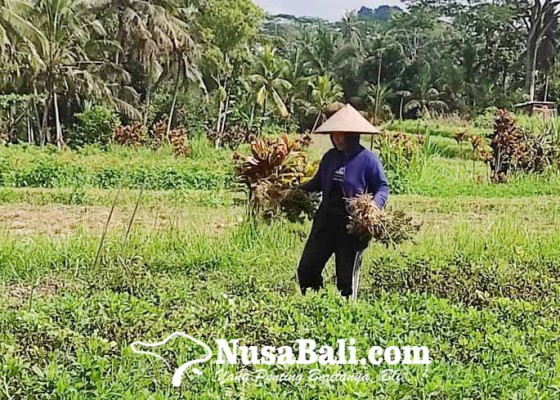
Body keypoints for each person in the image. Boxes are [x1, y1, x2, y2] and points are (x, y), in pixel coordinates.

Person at [297, 104, 389, 300]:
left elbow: (382, 187)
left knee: (345, 280)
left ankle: (346, 315)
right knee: (307, 269)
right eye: (334, 135)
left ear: (352, 134)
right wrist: (294, 190)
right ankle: (314, 305)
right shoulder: (330, 158)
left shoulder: (368, 160)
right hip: (325, 221)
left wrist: (373, 207)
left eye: (342, 135)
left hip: (352, 226)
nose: (337, 139)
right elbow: (318, 182)